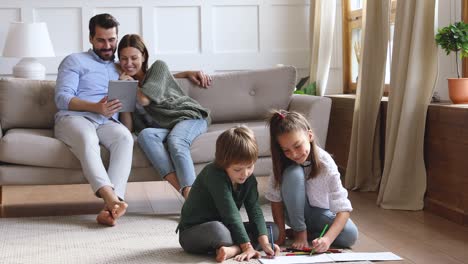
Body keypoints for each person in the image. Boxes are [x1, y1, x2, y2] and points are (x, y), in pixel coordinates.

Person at [54, 13, 133, 226]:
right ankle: (112, 199)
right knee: (87, 139)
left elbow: (152, 73)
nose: (107, 45)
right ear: (90, 38)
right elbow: (62, 98)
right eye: (101, 40)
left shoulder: (121, 65)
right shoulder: (75, 60)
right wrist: (96, 107)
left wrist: (190, 72)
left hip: (107, 122)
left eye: (112, 39)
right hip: (74, 118)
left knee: (125, 138)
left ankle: (111, 210)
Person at [117, 34, 211, 199]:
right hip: (167, 127)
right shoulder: (127, 84)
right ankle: (189, 197)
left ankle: (192, 197)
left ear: (144, 56)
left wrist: (130, 84)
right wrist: (123, 91)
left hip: (188, 117)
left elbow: (145, 99)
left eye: (134, 58)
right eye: (123, 59)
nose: (129, 63)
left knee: (176, 141)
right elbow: (128, 128)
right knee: (145, 135)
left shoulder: (158, 67)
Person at [177, 126, 280, 262]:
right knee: (218, 231)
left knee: (272, 229)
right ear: (223, 164)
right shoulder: (213, 174)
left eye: (250, 166)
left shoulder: (248, 179)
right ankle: (239, 247)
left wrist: (265, 243)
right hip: (194, 232)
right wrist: (247, 246)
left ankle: (233, 249)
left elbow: (255, 211)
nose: (245, 174)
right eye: (237, 169)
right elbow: (230, 214)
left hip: (226, 224)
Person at [265, 110, 358, 252]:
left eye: (297, 146)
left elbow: (343, 208)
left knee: (350, 235)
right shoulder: (281, 162)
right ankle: (299, 232)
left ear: (309, 136)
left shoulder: (327, 164)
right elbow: (275, 199)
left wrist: (327, 239)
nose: (294, 154)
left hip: (319, 214)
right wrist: (282, 233)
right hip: (293, 213)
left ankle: (310, 234)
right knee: (293, 173)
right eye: (286, 150)